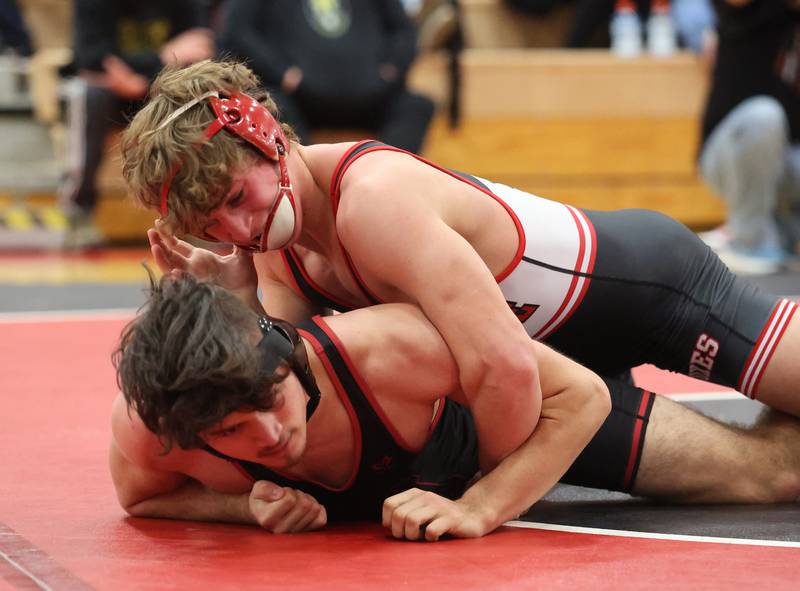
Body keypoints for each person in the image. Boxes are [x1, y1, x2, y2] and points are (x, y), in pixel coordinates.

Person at [121, 59, 800, 473]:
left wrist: (487, 495)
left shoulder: (373, 201)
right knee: (768, 472)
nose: (241, 229)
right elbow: (287, 378)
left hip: (648, 290)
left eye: (238, 197)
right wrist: (239, 300)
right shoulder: (273, 253)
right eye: (215, 226)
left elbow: (500, 366)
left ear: (268, 137)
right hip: (548, 364)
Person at [110, 272, 800, 539]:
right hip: (495, 380)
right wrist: (245, 503)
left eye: (272, 399)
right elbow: (140, 499)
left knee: (774, 474)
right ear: (188, 434)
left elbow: (580, 396)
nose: (271, 436)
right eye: (232, 429)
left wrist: (481, 505)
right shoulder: (158, 424)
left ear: (289, 358)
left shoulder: (385, 350)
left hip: (530, 395)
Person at [59, 0, 214, 248]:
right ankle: (79, 211)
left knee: (203, 93)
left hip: (164, 90)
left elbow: (200, 50)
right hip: (112, 93)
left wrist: (141, 77)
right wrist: (165, 55)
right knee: (86, 92)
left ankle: (198, 214)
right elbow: (90, 58)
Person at [216, 0, 434, 154]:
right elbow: (238, 32)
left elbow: (404, 32)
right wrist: (283, 73)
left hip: (373, 93)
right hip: (296, 97)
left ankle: (385, 181)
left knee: (416, 106)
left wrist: (391, 70)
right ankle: (314, 188)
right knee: (268, 107)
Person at [698, 0, 800, 274]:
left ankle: (782, 235)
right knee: (764, 117)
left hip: (787, 163)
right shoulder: (748, 10)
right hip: (727, 152)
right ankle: (748, 240)